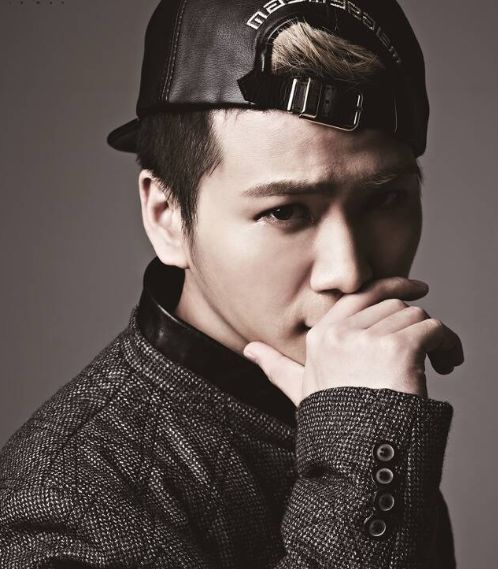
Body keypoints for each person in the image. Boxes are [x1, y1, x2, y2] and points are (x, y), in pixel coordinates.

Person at [0, 0, 464, 567]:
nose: (349, 272)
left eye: (386, 199)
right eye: (285, 211)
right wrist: (366, 444)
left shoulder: (364, 394)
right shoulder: (64, 508)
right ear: (167, 218)